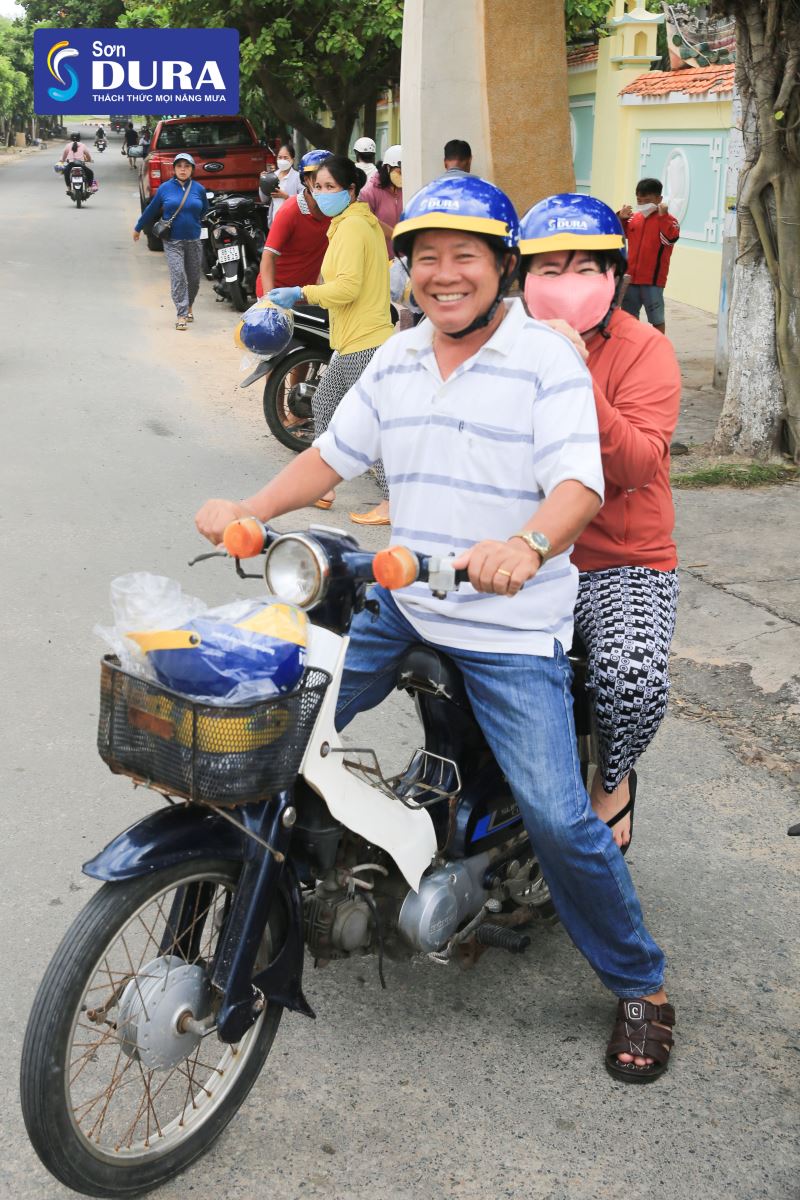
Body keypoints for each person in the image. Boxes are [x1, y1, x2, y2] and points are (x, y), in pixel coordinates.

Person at [195, 174, 675, 1084]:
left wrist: (530, 545)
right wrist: (247, 510)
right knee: (273, 713)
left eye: (464, 256)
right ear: (408, 270)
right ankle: (285, 874)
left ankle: (641, 985)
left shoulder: (547, 362)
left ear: (499, 266)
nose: (442, 274)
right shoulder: (402, 357)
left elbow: (582, 484)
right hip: (403, 602)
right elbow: (334, 455)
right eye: (425, 258)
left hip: (511, 626)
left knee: (560, 817)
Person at [519, 191, 681, 861]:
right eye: (549, 268)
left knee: (629, 676)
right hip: (525, 548)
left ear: (614, 276)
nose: (566, 282)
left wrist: (574, 373)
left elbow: (640, 463)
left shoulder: (646, 351)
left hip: (621, 557)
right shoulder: (498, 343)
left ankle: (611, 781)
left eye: (586, 267)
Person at [267, 154, 394, 527]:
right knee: (341, 408)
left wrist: (301, 293)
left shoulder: (353, 227)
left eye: (330, 187)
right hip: (362, 335)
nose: (322, 193)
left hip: (365, 338)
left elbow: (348, 287)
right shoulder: (350, 223)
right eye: (317, 187)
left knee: (332, 406)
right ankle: (327, 488)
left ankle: (360, 494)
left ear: (351, 189)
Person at [133, 152, 209, 331]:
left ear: (192, 169)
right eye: (179, 166)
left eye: (187, 166)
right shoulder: (165, 188)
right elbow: (151, 210)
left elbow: (205, 211)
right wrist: (138, 228)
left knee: (194, 279)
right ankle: (181, 314)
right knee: (178, 276)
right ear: (174, 169)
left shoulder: (199, 189)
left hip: (193, 239)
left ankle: (189, 305)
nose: (183, 169)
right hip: (172, 240)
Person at [256, 149, 332, 300]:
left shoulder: (335, 210)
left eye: (329, 180)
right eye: (317, 178)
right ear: (306, 180)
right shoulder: (290, 210)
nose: (323, 184)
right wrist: (269, 301)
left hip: (307, 294)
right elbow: (269, 256)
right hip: (276, 291)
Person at [616, 178, 680, 333]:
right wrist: (620, 218)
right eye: (639, 200)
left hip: (653, 280)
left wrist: (663, 217)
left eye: (648, 200)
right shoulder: (634, 219)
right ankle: (632, 349)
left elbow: (670, 239)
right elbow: (619, 236)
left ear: (659, 199)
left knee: (656, 319)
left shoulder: (670, 221)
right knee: (628, 318)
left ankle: (658, 351)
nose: (643, 203)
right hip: (631, 278)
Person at [359, 145, 403, 258]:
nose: (403, 176)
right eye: (400, 172)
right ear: (388, 167)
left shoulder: (407, 188)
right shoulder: (369, 192)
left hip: (405, 258)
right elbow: (368, 223)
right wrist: (395, 235)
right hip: (381, 258)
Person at [267, 142, 302, 226]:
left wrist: (286, 197)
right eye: (280, 157)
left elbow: (304, 200)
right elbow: (264, 199)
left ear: (292, 160)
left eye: (286, 158)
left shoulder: (298, 177)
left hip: (291, 222)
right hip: (275, 221)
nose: (282, 160)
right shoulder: (272, 175)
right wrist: (263, 182)